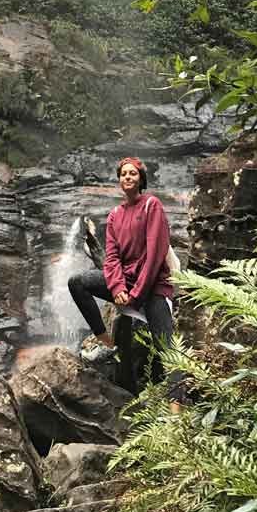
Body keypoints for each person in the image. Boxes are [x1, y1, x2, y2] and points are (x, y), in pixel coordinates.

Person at [67, 156, 184, 407]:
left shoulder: (151, 205)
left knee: (167, 346)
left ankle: (177, 408)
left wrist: (137, 294)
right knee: (78, 282)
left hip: (153, 287)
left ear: (141, 179)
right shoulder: (114, 216)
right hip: (126, 284)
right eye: (123, 174)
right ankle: (106, 343)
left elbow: (154, 254)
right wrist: (118, 288)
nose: (127, 177)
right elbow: (111, 259)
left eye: (132, 173)